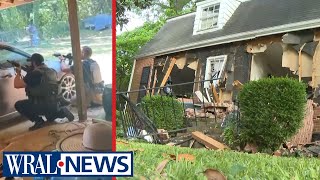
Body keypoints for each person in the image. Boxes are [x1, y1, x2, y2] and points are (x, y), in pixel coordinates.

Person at [14, 53, 74, 131]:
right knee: (50, 117)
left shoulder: (35, 74)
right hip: (55, 103)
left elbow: (17, 85)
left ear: (34, 63)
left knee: (18, 105)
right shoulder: (52, 71)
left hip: (41, 104)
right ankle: (61, 112)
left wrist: (18, 72)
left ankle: (38, 121)